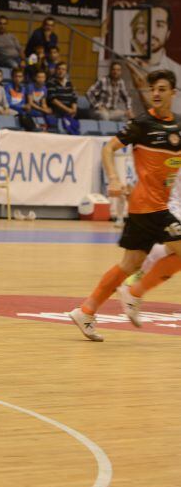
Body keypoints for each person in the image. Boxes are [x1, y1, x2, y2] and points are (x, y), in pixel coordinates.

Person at [69, 70, 181, 341]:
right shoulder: (142, 124)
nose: (156, 93)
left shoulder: (178, 126)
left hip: (153, 206)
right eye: (153, 88)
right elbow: (108, 149)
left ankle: (86, 311)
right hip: (147, 206)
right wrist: (115, 179)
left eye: (162, 89)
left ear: (173, 93)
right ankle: (134, 293)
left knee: (129, 264)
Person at [126, 0, 181, 114]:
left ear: (168, 33)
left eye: (159, 25)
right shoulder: (118, 67)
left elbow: (174, 116)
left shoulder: (178, 72)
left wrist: (144, 89)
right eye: (146, 25)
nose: (151, 32)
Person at [47, 61, 78, 132]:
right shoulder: (51, 82)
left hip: (69, 109)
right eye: (59, 69)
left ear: (66, 71)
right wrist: (68, 110)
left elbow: (74, 98)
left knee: (86, 113)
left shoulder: (69, 83)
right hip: (57, 109)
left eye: (63, 69)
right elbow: (53, 100)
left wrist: (74, 110)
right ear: (55, 70)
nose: (61, 71)